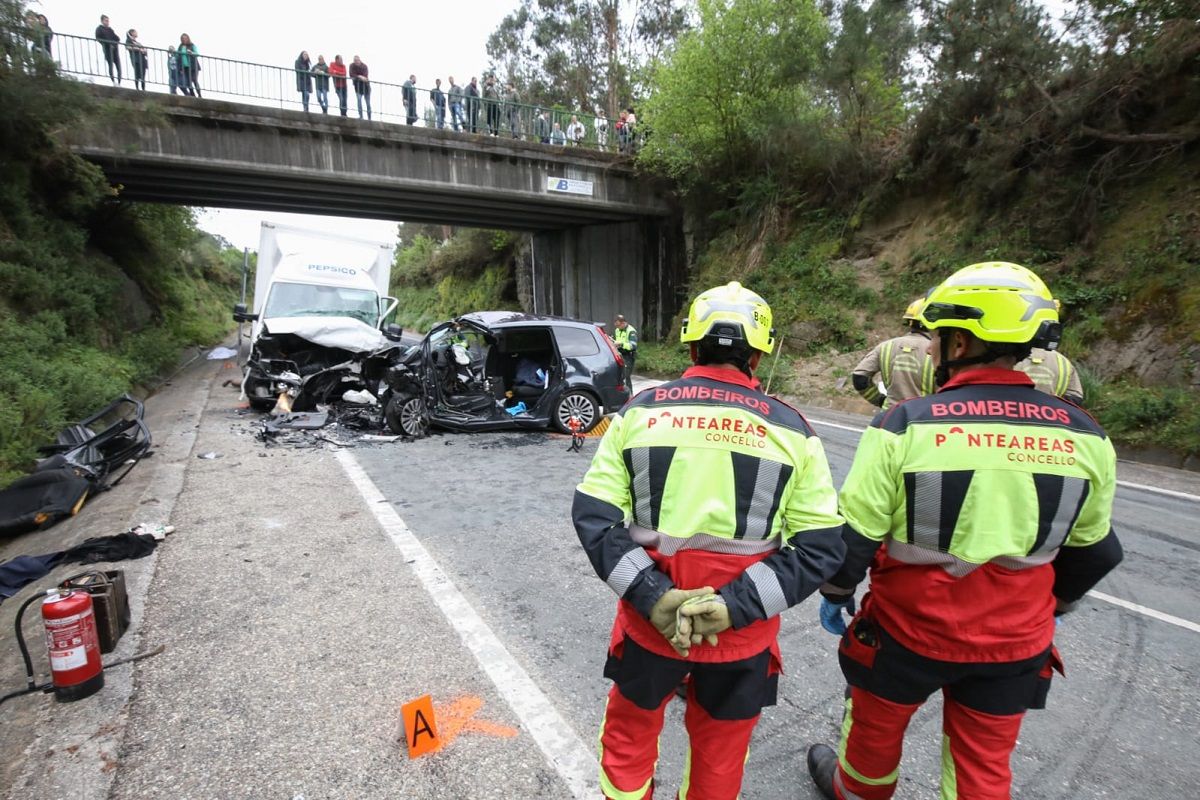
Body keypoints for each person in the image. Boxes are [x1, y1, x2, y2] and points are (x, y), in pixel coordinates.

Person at [805, 261, 1123, 800]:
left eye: (935, 339)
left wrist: (836, 593)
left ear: (958, 342)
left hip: (905, 634)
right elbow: (1096, 552)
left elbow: (854, 537)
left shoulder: (903, 424)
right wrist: (1054, 606)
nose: (928, 350)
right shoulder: (1086, 436)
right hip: (1015, 644)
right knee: (982, 770)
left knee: (871, 747)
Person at [574, 281, 846, 800]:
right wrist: (732, 608)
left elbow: (595, 515)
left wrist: (653, 597)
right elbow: (820, 548)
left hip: (649, 627)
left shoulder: (641, 411)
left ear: (691, 346)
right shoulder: (793, 430)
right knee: (720, 760)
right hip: (741, 639)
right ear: (758, 354)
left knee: (629, 743)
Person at [851, 298, 935, 409]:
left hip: (890, 416)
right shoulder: (939, 351)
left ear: (909, 322)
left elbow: (859, 378)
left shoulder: (886, 346)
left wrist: (880, 401)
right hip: (923, 418)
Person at [1018, 346, 1084, 405]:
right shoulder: (1063, 361)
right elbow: (1075, 397)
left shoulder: (1011, 357)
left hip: (1014, 411)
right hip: (1050, 414)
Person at [612, 314, 637, 389]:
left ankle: (630, 396)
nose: (617, 327)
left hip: (628, 356)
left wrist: (621, 344)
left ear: (623, 323)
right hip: (619, 354)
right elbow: (616, 341)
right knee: (619, 377)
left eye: (619, 325)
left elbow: (633, 345)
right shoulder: (617, 330)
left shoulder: (631, 331)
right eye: (616, 326)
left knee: (626, 377)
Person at [95, 15, 121, 85]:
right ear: (102, 21)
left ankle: (119, 82)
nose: (107, 22)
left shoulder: (110, 29)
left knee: (118, 66)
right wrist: (108, 44)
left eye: (108, 21)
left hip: (115, 50)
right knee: (110, 65)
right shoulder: (99, 29)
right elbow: (98, 38)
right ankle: (113, 81)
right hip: (107, 50)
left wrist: (114, 44)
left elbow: (117, 38)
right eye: (106, 21)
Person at [350, 56, 371, 120]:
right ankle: (361, 116)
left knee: (367, 103)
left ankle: (369, 117)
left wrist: (359, 77)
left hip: (366, 87)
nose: (356, 62)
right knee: (359, 100)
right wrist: (359, 76)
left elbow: (365, 76)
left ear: (360, 60)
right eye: (355, 60)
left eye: (357, 60)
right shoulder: (352, 66)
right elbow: (351, 74)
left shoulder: (364, 66)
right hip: (358, 87)